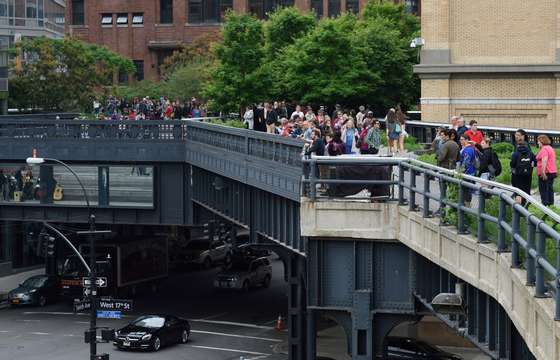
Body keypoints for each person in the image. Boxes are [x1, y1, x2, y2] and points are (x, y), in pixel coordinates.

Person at [510, 129, 536, 204]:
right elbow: (533, 160)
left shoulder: (524, 146)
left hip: (518, 173)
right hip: (527, 173)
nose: (516, 136)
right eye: (515, 135)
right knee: (525, 191)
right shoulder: (520, 145)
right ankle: (524, 209)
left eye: (518, 135)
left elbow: (513, 163)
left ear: (523, 136)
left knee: (518, 192)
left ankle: (519, 211)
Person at [536, 134, 557, 206]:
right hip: (552, 172)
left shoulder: (544, 149)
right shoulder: (550, 148)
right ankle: (551, 206)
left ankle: (544, 207)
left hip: (546, 173)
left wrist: (542, 172)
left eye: (538, 141)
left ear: (542, 141)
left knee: (543, 190)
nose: (537, 143)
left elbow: (544, 160)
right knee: (550, 189)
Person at [459, 134, 477, 206]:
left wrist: (461, 171)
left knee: (466, 190)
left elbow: (466, 162)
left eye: (462, 139)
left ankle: (467, 206)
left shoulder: (468, 149)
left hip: (467, 173)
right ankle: (466, 205)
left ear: (467, 140)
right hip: (469, 172)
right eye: (460, 139)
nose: (460, 141)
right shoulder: (469, 148)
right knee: (466, 190)